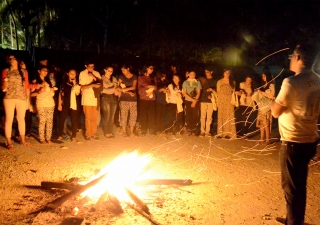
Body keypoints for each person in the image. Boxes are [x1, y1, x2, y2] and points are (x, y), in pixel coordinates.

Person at [271, 43, 320, 225]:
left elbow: (276, 111)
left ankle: (294, 221)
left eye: (292, 56)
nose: (290, 59)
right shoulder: (318, 80)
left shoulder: (290, 82)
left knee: (291, 187)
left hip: (293, 141)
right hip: (310, 139)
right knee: (300, 184)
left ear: (298, 58)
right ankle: (294, 218)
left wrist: (272, 104)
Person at [1, 55, 40, 149]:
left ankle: (23, 140)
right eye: (10, 59)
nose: (12, 60)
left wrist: (36, 85)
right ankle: (9, 142)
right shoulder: (5, 71)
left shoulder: (23, 72)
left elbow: (26, 85)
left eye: (14, 58)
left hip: (21, 98)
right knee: (9, 119)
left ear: (17, 60)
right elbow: (3, 87)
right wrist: (4, 85)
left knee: (21, 119)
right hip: (9, 97)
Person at [31, 65, 56, 144]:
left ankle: (48, 138)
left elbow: (52, 93)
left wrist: (52, 91)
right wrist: (39, 91)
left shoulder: (49, 81)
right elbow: (31, 94)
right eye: (43, 70)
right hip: (41, 103)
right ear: (39, 71)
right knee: (42, 121)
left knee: (49, 121)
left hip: (50, 103)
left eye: (46, 71)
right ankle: (42, 138)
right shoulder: (35, 81)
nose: (45, 72)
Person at [79, 60, 101, 141]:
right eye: (89, 66)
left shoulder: (97, 73)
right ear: (86, 66)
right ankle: (88, 134)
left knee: (94, 117)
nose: (91, 68)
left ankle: (94, 133)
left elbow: (100, 84)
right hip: (87, 98)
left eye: (93, 66)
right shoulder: (82, 73)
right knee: (88, 117)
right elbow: (82, 87)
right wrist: (92, 85)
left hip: (95, 98)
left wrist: (93, 76)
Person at [57, 69, 81, 142]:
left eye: (74, 74)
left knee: (74, 120)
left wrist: (75, 84)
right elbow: (60, 93)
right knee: (62, 119)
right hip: (65, 103)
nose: (73, 75)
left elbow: (77, 93)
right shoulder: (64, 83)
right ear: (68, 74)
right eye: (71, 74)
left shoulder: (77, 83)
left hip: (74, 104)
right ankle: (60, 135)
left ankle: (73, 136)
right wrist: (59, 104)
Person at [253, 68, 275, 145]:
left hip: (267, 107)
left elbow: (272, 96)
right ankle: (262, 138)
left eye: (264, 76)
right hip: (261, 106)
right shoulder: (263, 85)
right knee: (262, 123)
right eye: (262, 76)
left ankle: (268, 139)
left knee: (266, 123)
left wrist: (262, 93)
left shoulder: (271, 85)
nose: (263, 77)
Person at [117, 64, 138, 137]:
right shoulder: (121, 77)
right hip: (124, 99)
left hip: (133, 99)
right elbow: (118, 88)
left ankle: (132, 132)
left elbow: (134, 87)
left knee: (133, 115)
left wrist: (124, 89)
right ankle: (124, 132)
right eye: (122, 70)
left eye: (124, 70)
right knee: (124, 115)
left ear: (128, 69)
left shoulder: (134, 77)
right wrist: (128, 92)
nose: (123, 72)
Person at [216, 69, 237, 139]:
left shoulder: (232, 82)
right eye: (226, 73)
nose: (227, 74)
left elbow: (233, 91)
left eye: (228, 73)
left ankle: (228, 133)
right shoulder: (219, 81)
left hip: (229, 100)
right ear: (223, 73)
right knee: (221, 115)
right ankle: (220, 133)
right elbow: (218, 91)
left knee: (228, 116)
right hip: (221, 100)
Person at [137, 64, 157, 136]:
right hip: (143, 98)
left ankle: (151, 129)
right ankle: (143, 129)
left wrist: (149, 87)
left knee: (151, 114)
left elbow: (155, 87)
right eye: (150, 68)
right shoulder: (141, 77)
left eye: (152, 68)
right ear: (146, 68)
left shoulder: (153, 77)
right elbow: (140, 87)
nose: (152, 70)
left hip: (152, 98)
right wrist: (149, 87)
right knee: (143, 114)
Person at [100, 65, 119, 138]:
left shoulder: (114, 78)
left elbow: (116, 87)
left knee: (112, 116)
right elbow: (102, 90)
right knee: (107, 116)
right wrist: (112, 89)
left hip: (113, 98)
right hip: (105, 98)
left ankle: (110, 131)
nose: (110, 72)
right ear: (105, 70)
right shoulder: (102, 78)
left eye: (111, 71)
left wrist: (115, 90)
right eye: (109, 71)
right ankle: (106, 132)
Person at [199, 66, 217, 137]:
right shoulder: (203, 80)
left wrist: (211, 93)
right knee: (203, 116)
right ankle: (202, 131)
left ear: (211, 72)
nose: (206, 73)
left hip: (210, 101)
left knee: (209, 117)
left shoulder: (214, 81)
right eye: (205, 72)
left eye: (208, 72)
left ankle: (207, 131)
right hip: (203, 100)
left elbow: (216, 91)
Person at [182, 70, 202, 136]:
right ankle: (189, 129)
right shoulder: (185, 82)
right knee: (188, 115)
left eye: (194, 74)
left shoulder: (197, 82)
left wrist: (195, 100)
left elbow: (198, 92)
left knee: (195, 115)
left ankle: (193, 130)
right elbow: (184, 93)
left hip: (195, 100)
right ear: (188, 74)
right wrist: (191, 100)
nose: (192, 75)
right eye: (191, 74)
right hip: (188, 100)